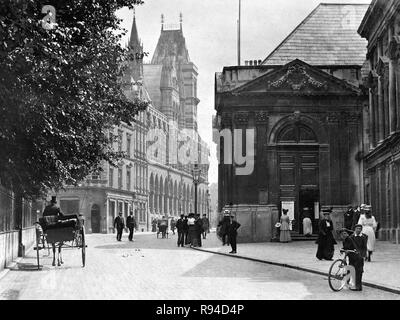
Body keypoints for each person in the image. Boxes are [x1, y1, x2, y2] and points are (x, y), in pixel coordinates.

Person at [341, 225, 368, 291]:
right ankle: (348, 281)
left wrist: (363, 255)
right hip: (352, 255)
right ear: (355, 229)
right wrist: (343, 249)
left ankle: (358, 286)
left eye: (360, 229)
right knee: (350, 268)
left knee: (359, 271)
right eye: (357, 228)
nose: (358, 230)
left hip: (359, 256)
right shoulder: (351, 237)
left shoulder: (364, 237)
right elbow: (348, 245)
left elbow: (364, 247)